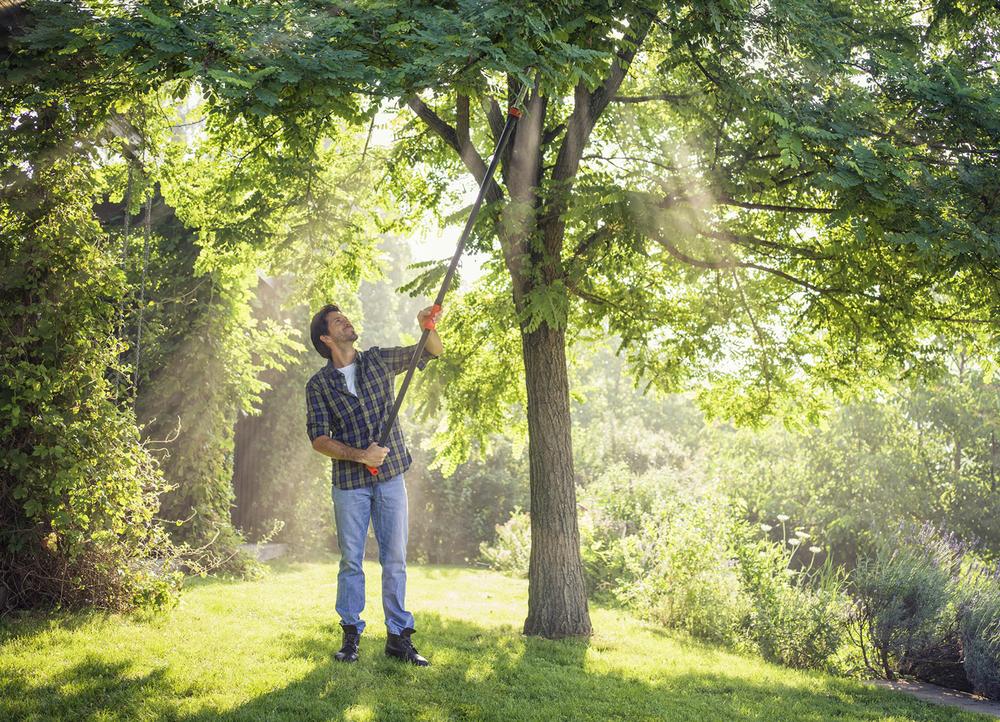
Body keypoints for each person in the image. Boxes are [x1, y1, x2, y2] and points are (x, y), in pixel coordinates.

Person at [305, 303, 442, 666]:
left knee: (394, 559)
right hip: (350, 484)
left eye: (345, 318)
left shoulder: (378, 360)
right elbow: (319, 439)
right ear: (325, 337)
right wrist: (361, 456)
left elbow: (430, 351)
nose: (346, 322)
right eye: (338, 321)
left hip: (391, 477)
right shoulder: (319, 385)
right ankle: (350, 637)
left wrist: (425, 325)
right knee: (352, 560)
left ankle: (399, 637)